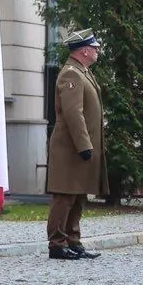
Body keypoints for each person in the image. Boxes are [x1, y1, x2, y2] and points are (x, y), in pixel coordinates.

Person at [46, 30, 108, 260]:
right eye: (94, 47)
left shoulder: (83, 72)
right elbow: (73, 114)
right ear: (84, 50)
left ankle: (73, 240)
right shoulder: (71, 74)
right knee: (65, 196)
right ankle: (57, 243)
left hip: (80, 147)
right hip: (70, 148)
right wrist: (84, 145)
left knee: (79, 195)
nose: (97, 50)